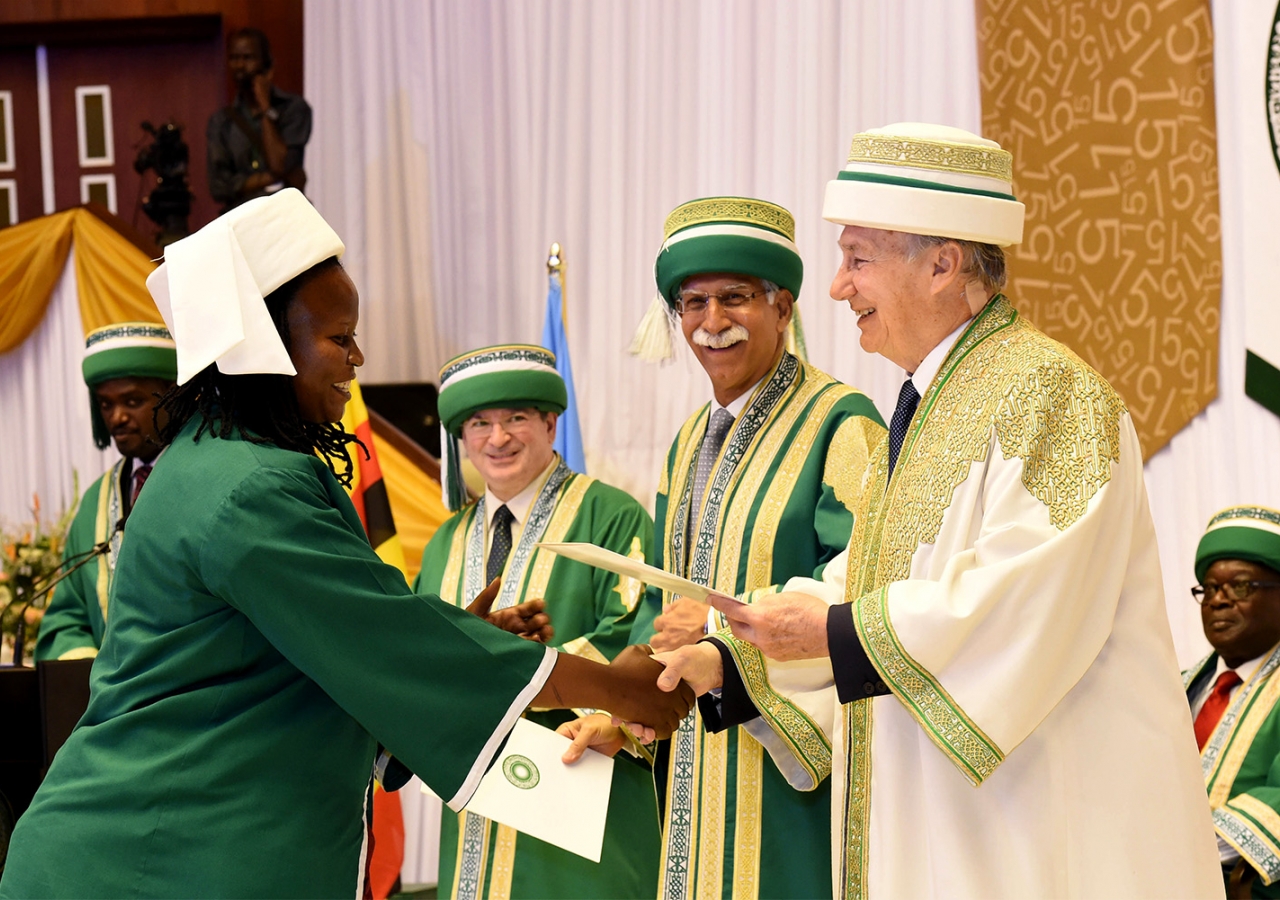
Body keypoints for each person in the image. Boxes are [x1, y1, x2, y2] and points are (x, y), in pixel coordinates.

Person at [0, 189, 692, 900]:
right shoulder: (247, 488)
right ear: (264, 344)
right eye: (339, 335)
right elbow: (397, 644)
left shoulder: (218, 460)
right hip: (154, 859)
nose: (358, 357)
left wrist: (458, 642)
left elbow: (343, 649)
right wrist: (618, 686)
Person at [654, 124, 1223, 898]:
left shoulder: (1048, 393)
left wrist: (829, 632)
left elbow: (1018, 605)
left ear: (943, 265)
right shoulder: (929, 402)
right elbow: (868, 576)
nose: (837, 287)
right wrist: (736, 652)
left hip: (1042, 837)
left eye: (856, 259)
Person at [612, 196, 885, 900]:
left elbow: (864, 581)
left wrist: (712, 631)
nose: (712, 323)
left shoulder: (841, 421)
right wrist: (632, 696)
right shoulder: (685, 446)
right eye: (693, 303)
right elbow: (660, 601)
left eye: (735, 298)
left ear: (784, 306)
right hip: (694, 766)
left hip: (793, 765)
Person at [417, 344, 659, 899]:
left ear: (551, 423)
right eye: (479, 423)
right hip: (473, 799)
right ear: (461, 439)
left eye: (516, 418)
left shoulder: (611, 516)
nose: (497, 438)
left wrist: (513, 673)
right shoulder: (442, 544)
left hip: (581, 787)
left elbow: (637, 633)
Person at [35, 322, 176, 661]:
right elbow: (67, 618)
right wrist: (88, 670)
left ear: (174, 395)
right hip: (110, 701)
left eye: (133, 400)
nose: (117, 417)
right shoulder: (95, 504)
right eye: (105, 404)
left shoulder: (206, 480)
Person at [1184, 505, 1280, 898]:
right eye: (1208, 588)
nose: (1217, 601)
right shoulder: (1176, 689)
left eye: (1240, 586)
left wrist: (1188, 847)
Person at [206, 27, 311, 213]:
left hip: (286, 215)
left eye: (248, 58)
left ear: (267, 63)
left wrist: (265, 109)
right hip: (241, 217)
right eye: (234, 58)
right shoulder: (221, 121)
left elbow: (280, 164)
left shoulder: (294, 108)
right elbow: (219, 187)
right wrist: (269, 178)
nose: (240, 65)